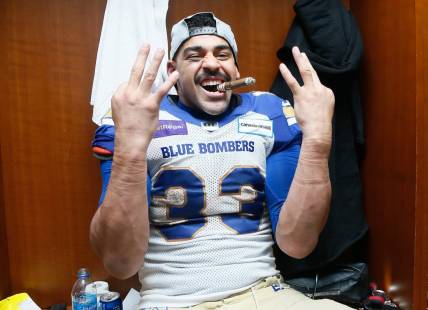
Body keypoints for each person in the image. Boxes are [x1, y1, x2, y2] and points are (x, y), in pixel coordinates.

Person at [90, 12, 351, 309]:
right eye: (195, 55)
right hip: (172, 301)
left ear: (235, 68)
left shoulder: (268, 113)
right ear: (173, 71)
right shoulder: (139, 115)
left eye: (223, 54)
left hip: (264, 293)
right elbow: (119, 262)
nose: (212, 63)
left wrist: (317, 141)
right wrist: (130, 151)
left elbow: (298, 244)